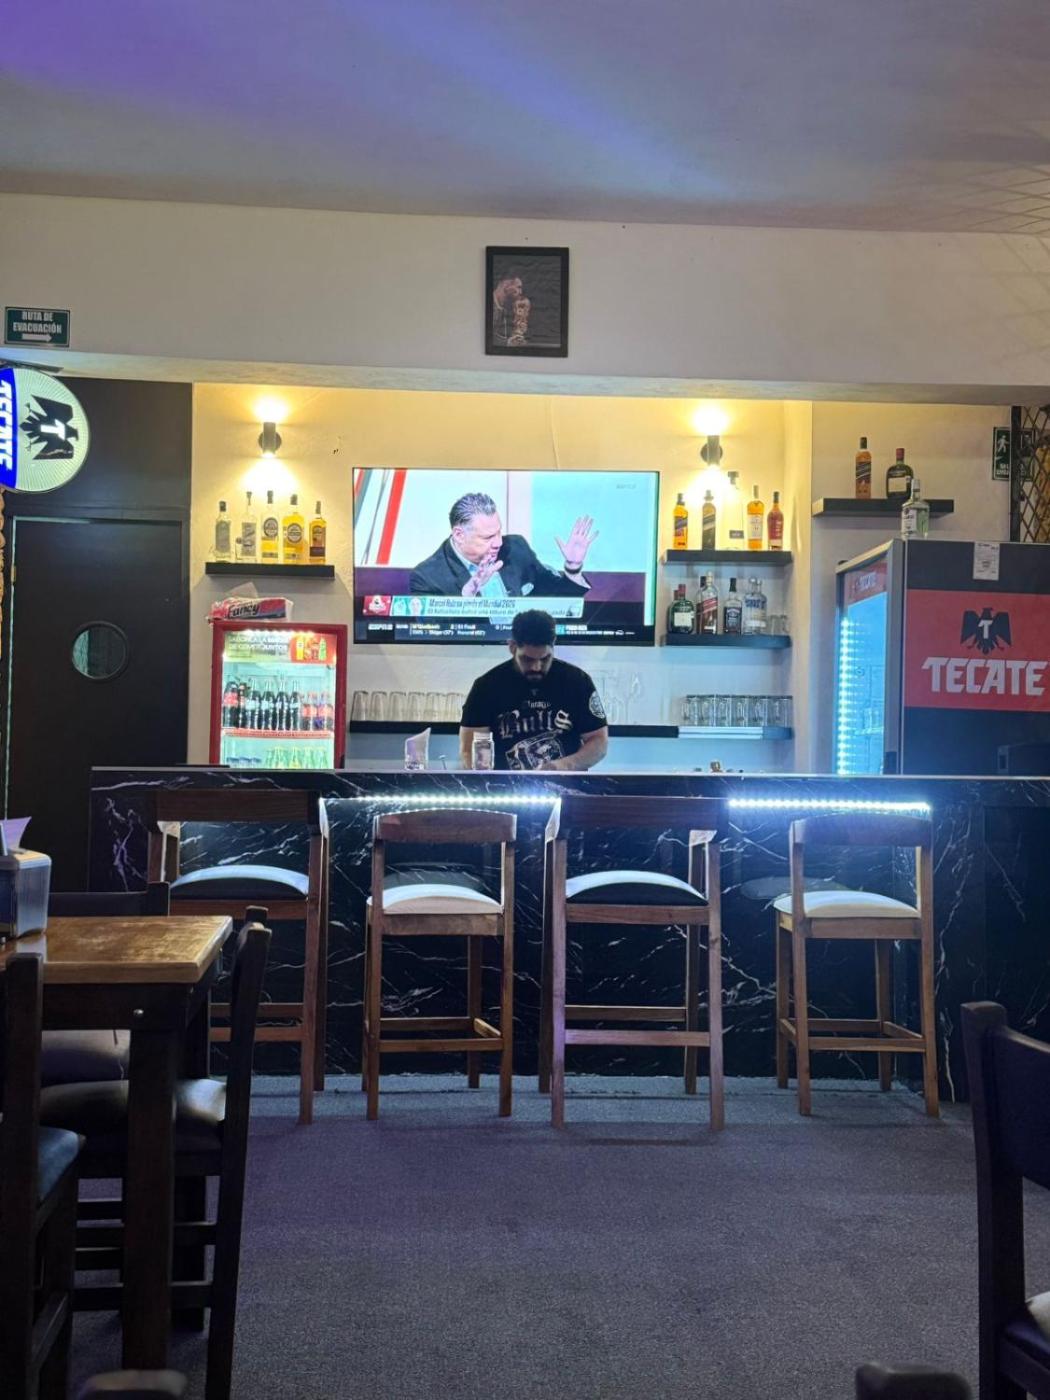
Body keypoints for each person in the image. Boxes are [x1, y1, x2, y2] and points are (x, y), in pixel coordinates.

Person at [459, 609, 609, 771]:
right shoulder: (486, 687)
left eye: (545, 659)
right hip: (505, 785)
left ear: (553, 645)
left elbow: (598, 741)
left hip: (567, 782)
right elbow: (471, 747)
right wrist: (486, 777)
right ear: (512, 647)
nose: (536, 667)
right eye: (527, 659)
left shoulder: (577, 681)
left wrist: (561, 766)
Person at [410, 491, 597, 598]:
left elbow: (555, 596)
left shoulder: (516, 548)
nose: (498, 542)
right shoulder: (427, 577)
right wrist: (466, 598)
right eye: (488, 537)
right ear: (459, 535)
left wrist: (573, 566)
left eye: (499, 532)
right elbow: (431, 633)